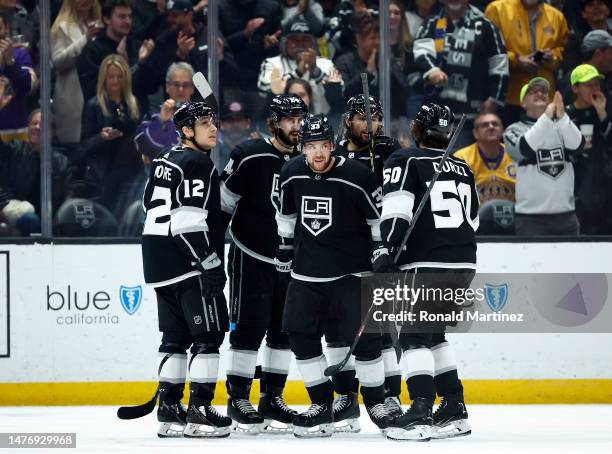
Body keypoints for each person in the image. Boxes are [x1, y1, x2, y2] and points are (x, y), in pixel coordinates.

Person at [276, 113, 392, 437]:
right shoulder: (290, 173)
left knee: (365, 341)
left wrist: (381, 250)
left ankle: (376, 404)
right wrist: (285, 248)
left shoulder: (358, 176)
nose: (317, 153)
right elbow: (285, 215)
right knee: (299, 334)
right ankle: (321, 405)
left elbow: (376, 221)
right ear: (302, 148)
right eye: (310, 146)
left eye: (322, 145)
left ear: (332, 145)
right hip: (307, 275)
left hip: (351, 273)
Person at [374, 103, 479, 441]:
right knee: (434, 335)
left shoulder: (405, 160)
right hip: (463, 262)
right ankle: (453, 406)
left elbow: (397, 210)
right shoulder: (463, 166)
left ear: (417, 130)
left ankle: (420, 411)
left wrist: (387, 250)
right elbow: (473, 218)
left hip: (425, 262)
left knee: (413, 337)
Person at [140, 101, 231, 438]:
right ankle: (200, 411)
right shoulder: (198, 163)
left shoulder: (165, 158)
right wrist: (207, 263)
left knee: (174, 337)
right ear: (187, 131)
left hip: (158, 261)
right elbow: (185, 223)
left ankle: (169, 409)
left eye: (213, 123)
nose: (213, 129)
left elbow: (150, 204)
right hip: (186, 262)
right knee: (208, 336)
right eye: (205, 123)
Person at [219, 94, 307, 434]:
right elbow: (222, 208)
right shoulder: (249, 155)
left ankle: (272, 397)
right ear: (274, 122)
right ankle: (238, 397)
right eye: (289, 119)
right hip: (250, 255)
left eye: (300, 119)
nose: (297, 126)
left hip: (291, 261)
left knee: (282, 330)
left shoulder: (310, 160)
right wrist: (211, 253)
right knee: (249, 328)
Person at [331, 94, 403, 428]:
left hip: (378, 248)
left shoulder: (388, 152)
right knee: (337, 330)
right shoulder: (331, 151)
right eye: (363, 118)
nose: (370, 124)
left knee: (382, 328)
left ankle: (389, 395)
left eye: (375, 117)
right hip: (338, 249)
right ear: (348, 121)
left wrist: (393, 157)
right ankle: (345, 397)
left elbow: (400, 194)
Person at [414, 0, 509, 149]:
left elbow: (500, 66)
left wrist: (494, 100)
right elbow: (421, 51)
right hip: (438, 115)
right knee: (436, 164)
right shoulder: (431, 23)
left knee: (466, 166)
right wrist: (432, 71)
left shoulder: (485, 25)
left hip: (473, 116)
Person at [503, 78, 584, 235]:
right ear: (523, 103)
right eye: (532, 92)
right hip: (531, 219)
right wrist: (546, 118)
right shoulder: (513, 130)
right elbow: (524, 148)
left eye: (543, 92)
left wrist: (562, 117)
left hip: (566, 217)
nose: (539, 93)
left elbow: (578, 147)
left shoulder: (562, 126)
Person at [485, 0, 569, 126]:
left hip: (544, 98)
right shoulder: (497, 9)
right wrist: (516, 60)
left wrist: (553, 56)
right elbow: (486, 50)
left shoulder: (556, 16)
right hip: (509, 98)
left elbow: (563, 51)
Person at [79, 53, 143, 215]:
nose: (115, 81)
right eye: (111, 77)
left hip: (131, 173)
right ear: (104, 79)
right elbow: (83, 148)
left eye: (119, 77)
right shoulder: (93, 105)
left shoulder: (133, 104)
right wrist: (101, 138)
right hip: (103, 175)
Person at [0, 109, 72, 236]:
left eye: (43, 124)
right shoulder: (14, 150)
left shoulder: (62, 162)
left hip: (52, 220)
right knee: (30, 220)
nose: (38, 127)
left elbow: (69, 197)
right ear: (28, 128)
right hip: (18, 215)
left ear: (52, 132)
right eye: (34, 123)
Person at [76, 0, 157, 106]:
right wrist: (122, 63)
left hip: (137, 114)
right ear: (106, 19)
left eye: (129, 16)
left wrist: (142, 62)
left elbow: (151, 87)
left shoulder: (138, 47)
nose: (128, 21)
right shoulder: (92, 51)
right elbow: (93, 91)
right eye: (122, 17)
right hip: (105, 116)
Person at [258, 18, 341, 116]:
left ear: (312, 43)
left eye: (305, 39)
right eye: (294, 39)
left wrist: (316, 72)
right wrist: (297, 73)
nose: (300, 44)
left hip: (322, 124)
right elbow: (264, 90)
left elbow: (340, 93)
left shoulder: (326, 63)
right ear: (285, 42)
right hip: (285, 124)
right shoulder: (272, 63)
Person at [335, 13, 410, 118]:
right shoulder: (344, 62)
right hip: (357, 119)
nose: (378, 42)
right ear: (359, 39)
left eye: (380, 38)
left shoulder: (388, 61)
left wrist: (388, 67)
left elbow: (404, 90)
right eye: (373, 38)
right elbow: (345, 95)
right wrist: (367, 73)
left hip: (387, 120)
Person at [566, 64, 612, 234]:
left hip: (604, 183)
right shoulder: (566, 115)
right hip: (578, 187)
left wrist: (602, 112)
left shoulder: (605, 109)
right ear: (575, 88)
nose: (594, 88)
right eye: (588, 85)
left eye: (596, 84)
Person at [51, 0, 103, 146]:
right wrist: (84, 39)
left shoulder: (102, 25)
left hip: (99, 90)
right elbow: (58, 62)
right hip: (73, 96)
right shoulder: (60, 27)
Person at [135, 61, 195, 163]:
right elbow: (141, 146)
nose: (181, 89)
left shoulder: (201, 117)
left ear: (192, 88)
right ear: (167, 86)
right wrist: (161, 121)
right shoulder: (154, 114)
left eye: (185, 85)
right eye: (176, 84)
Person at [454, 112, 516, 204]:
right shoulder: (461, 157)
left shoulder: (515, 154)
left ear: (502, 130)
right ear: (475, 133)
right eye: (484, 125)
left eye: (495, 124)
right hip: (475, 216)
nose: (491, 127)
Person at [0, 12, 35, 142]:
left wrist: (10, 62)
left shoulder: (20, 54)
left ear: (7, 29)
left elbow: (27, 87)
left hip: (18, 131)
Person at [562, 0, 611, 74]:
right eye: (590, 5)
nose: (596, 7)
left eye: (600, 4)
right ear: (583, 14)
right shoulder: (575, 41)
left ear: (607, 10)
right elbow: (570, 70)